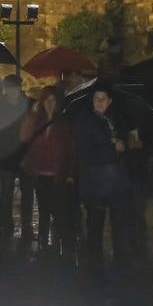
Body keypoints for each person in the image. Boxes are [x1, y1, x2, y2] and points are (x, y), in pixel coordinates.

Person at [73, 87, 134, 266]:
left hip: (116, 181)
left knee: (118, 221)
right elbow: (86, 152)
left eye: (103, 98)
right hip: (95, 181)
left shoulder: (113, 119)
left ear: (109, 101)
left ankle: (120, 259)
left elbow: (121, 142)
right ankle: (95, 262)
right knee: (95, 222)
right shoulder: (85, 121)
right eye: (96, 98)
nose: (99, 102)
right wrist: (114, 150)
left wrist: (124, 144)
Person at [19, 86, 73, 250]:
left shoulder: (63, 122)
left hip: (57, 173)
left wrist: (70, 173)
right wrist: (32, 115)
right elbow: (24, 137)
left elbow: (71, 149)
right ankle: (43, 244)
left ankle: (60, 245)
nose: (50, 103)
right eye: (47, 100)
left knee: (58, 211)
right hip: (40, 172)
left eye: (53, 100)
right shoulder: (37, 120)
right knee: (43, 210)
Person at [0, 74, 33, 236]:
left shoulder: (29, 104)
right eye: (9, 88)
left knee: (27, 192)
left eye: (14, 88)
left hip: (26, 154)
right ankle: (5, 223)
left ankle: (26, 226)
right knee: (6, 192)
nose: (12, 91)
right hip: (7, 154)